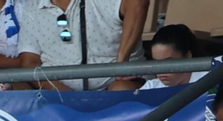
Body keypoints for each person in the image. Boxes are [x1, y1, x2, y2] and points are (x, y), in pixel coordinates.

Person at [17, 0, 146, 90]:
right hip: (59, 97)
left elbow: (138, 3)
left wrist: (122, 63)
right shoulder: (33, 6)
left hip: (116, 88)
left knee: (121, 89)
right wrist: (61, 93)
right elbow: (29, 62)